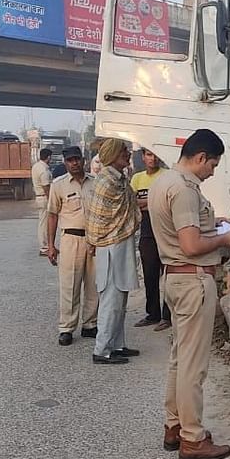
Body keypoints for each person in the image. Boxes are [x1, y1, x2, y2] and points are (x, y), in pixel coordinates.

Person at [148, 129, 230, 459]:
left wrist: (214, 222)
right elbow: (191, 245)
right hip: (193, 282)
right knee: (193, 366)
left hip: (174, 280)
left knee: (179, 359)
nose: (213, 171)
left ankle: (175, 426)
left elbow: (182, 228)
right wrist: (224, 240)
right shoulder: (185, 189)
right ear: (200, 157)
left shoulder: (163, 181)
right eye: (212, 164)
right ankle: (193, 439)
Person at [86, 138, 141, 365]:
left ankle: (117, 345)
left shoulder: (118, 178)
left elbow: (130, 207)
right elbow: (103, 219)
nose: (128, 154)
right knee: (111, 300)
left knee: (121, 298)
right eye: (124, 152)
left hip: (120, 244)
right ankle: (102, 350)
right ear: (113, 155)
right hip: (111, 247)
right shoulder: (107, 182)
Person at [45, 146, 99, 344]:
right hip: (70, 239)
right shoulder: (58, 185)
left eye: (77, 159)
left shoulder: (95, 182)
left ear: (83, 160)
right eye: (70, 160)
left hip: (94, 240)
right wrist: (50, 245)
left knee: (94, 284)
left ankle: (90, 324)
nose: (74, 163)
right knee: (70, 285)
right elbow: (52, 215)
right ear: (65, 162)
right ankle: (66, 327)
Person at [130, 148, 171, 331]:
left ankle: (168, 315)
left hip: (165, 229)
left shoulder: (167, 176)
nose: (152, 158)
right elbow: (131, 202)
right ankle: (152, 314)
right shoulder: (137, 179)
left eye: (154, 154)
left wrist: (147, 203)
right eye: (148, 154)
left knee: (168, 274)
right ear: (143, 157)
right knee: (150, 274)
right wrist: (153, 202)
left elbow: (167, 202)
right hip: (146, 230)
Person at [32, 148, 54, 256]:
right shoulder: (44, 170)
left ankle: (47, 246)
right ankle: (44, 247)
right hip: (44, 198)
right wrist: (52, 200)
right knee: (45, 224)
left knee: (43, 223)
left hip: (39, 197)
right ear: (48, 157)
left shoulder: (36, 166)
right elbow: (46, 187)